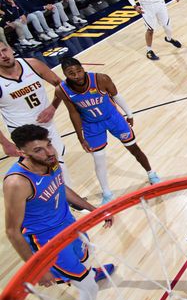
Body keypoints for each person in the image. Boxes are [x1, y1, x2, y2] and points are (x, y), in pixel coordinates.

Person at [3, 124, 127, 300]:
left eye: (48, 144)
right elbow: (12, 231)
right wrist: (36, 269)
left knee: (87, 256)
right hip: (47, 242)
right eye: (39, 150)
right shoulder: (17, 183)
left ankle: (85, 273)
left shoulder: (50, 162)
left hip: (69, 224)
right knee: (87, 286)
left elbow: (63, 189)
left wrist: (94, 210)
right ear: (22, 153)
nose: (49, 152)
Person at [55, 57, 161, 204]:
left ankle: (151, 174)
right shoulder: (62, 90)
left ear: (83, 68)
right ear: (65, 74)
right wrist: (81, 138)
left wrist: (129, 113)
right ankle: (107, 193)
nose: (77, 75)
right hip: (91, 125)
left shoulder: (100, 79)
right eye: (71, 73)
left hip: (113, 118)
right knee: (99, 160)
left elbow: (116, 96)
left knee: (134, 148)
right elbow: (73, 113)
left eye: (79, 70)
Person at [0, 43, 70, 184]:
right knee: (48, 167)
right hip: (23, 133)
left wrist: (53, 107)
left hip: (46, 126)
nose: (3, 56)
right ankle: (69, 202)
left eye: (4, 50)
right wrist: (5, 143)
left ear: (11, 49)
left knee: (57, 162)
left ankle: (68, 200)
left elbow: (61, 85)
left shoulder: (32, 64)